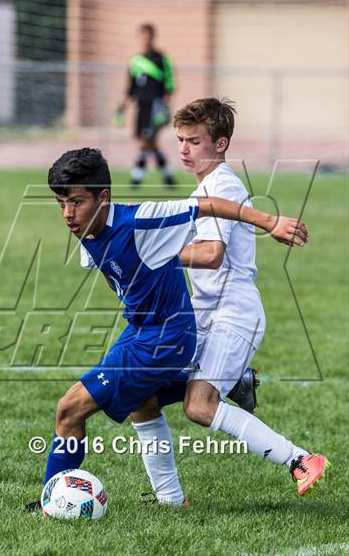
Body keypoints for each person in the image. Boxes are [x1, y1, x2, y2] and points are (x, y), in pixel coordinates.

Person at [25, 147, 306, 511]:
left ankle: (52, 502)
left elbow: (212, 205)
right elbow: (116, 277)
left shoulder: (141, 220)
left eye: (76, 202)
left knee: (69, 409)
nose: (67, 214)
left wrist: (271, 223)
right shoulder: (86, 232)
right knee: (141, 402)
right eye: (61, 203)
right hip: (141, 331)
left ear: (104, 197)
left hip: (164, 338)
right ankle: (172, 500)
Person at [130, 98, 329, 506]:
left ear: (220, 144)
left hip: (232, 316)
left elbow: (210, 254)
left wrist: (149, 255)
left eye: (194, 141)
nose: (183, 150)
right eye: (180, 140)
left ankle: (302, 459)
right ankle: (170, 500)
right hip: (203, 318)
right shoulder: (205, 187)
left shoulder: (221, 185)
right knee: (140, 396)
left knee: (199, 407)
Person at [117, 23, 176, 187]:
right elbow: (131, 87)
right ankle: (168, 176)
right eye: (143, 36)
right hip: (141, 106)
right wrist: (122, 106)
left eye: (149, 36)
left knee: (145, 141)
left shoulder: (161, 59)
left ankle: (137, 178)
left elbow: (170, 83)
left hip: (155, 107)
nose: (146, 39)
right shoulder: (135, 61)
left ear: (153, 37)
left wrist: (165, 103)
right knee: (149, 143)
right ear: (140, 37)